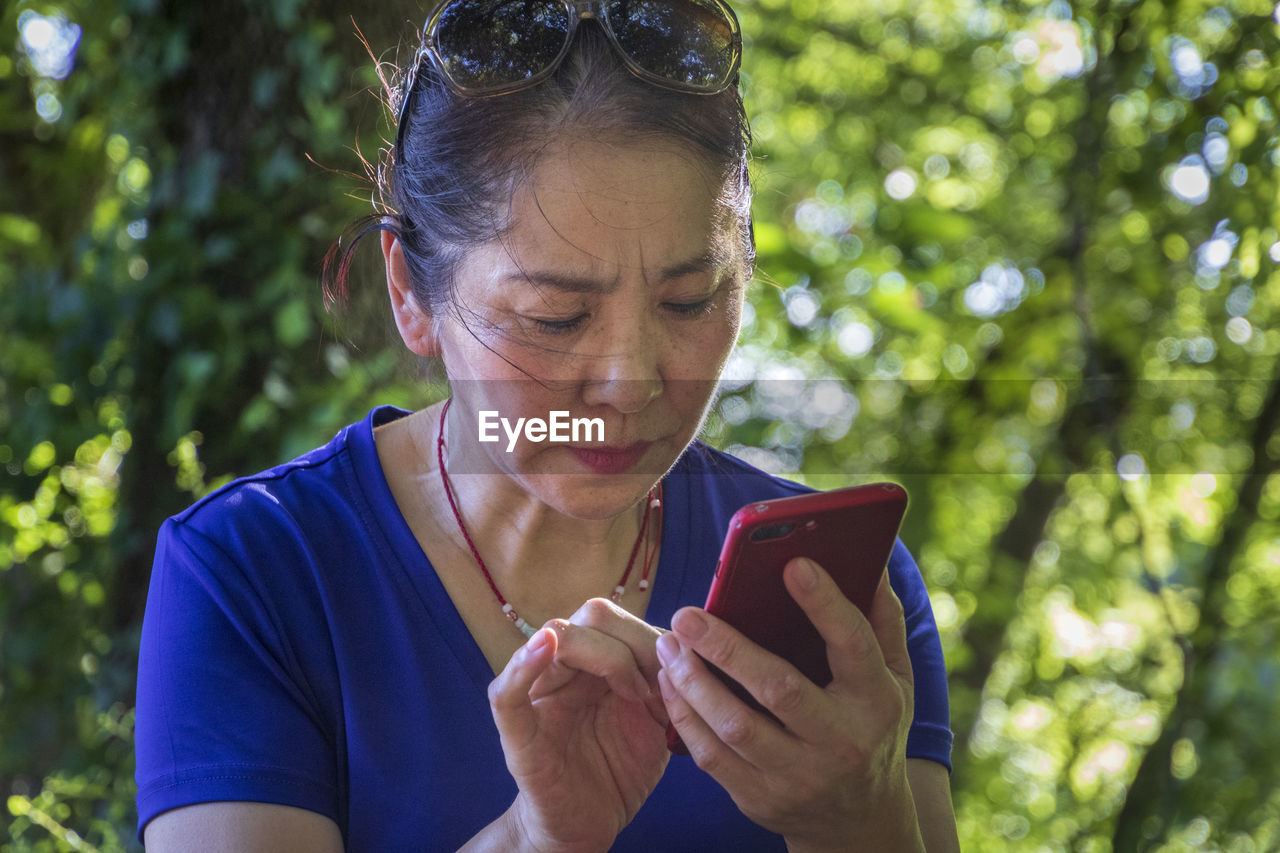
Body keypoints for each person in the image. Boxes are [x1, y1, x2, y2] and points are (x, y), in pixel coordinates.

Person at [135, 1, 959, 850]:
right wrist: (533, 839)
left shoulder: (842, 593)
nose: (631, 381)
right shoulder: (256, 569)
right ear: (411, 297)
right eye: (554, 316)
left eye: (690, 300)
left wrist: (862, 817)